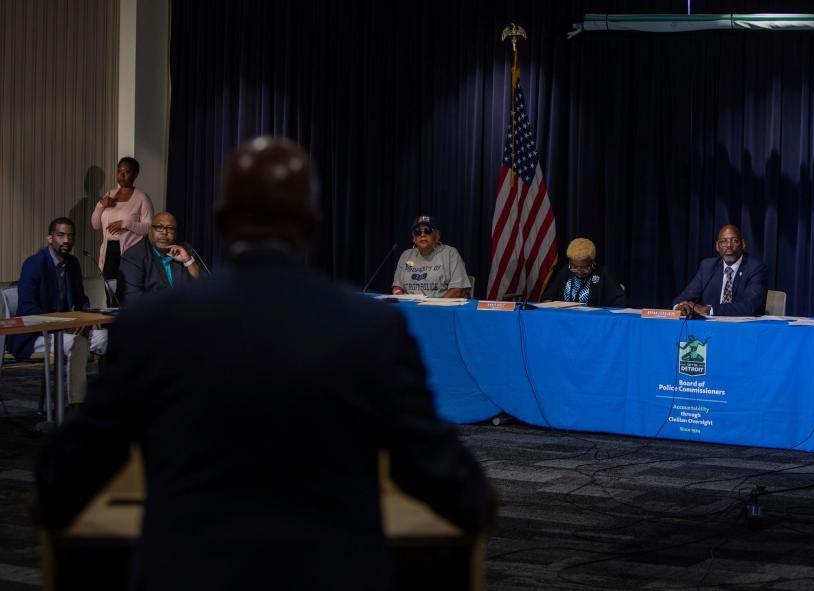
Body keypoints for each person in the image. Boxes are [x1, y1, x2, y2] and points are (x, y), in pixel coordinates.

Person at [34, 137, 494, 591]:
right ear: (312, 224)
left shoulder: (151, 327)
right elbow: (456, 484)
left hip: (188, 571)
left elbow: (65, 472)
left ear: (220, 222)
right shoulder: (372, 328)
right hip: (331, 573)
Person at [6, 218, 107, 404]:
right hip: (34, 333)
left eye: (70, 236)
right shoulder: (34, 264)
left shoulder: (73, 264)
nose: (66, 240)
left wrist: (84, 322)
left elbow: (81, 300)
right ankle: (76, 405)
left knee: (107, 338)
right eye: (61, 235)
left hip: (67, 329)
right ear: (50, 238)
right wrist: (61, 326)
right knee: (78, 343)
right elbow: (28, 307)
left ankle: (112, 399)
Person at [673, 224, 768, 317]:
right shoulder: (707, 267)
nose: (729, 245)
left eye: (734, 241)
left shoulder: (755, 268)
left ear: (743, 244)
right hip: (710, 329)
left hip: (743, 328)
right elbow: (683, 298)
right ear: (717, 246)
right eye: (723, 241)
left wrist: (708, 310)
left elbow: (750, 306)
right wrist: (680, 307)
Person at [89, 157, 155, 285]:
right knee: (110, 291)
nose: (121, 175)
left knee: (127, 291)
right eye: (119, 171)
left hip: (130, 251)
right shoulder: (110, 194)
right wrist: (100, 206)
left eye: (127, 172)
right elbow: (95, 225)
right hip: (108, 250)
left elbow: (148, 228)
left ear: (135, 174)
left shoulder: (141, 197)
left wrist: (125, 224)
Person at [117, 212, 203, 304]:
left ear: (175, 233)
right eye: (159, 227)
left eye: (170, 228)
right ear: (150, 230)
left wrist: (187, 260)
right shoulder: (134, 256)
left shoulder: (185, 250)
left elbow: (202, 287)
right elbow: (133, 298)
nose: (164, 232)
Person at [391, 215, 471, 298]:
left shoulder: (450, 253)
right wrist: (399, 296)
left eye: (427, 231)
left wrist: (435, 308)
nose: (422, 234)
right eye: (417, 231)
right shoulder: (406, 255)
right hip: (410, 307)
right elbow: (397, 286)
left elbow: (457, 290)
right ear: (413, 238)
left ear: (437, 235)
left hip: (439, 307)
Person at [541, 238, 626, 307]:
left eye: (584, 268)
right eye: (574, 267)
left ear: (592, 263)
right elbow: (548, 297)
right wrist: (548, 304)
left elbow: (620, 302)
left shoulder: (603, 274)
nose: (579, 272)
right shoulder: (565, 272)